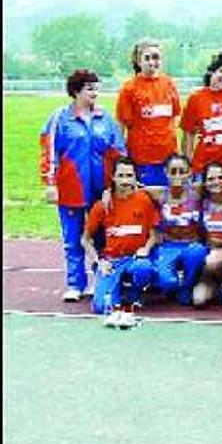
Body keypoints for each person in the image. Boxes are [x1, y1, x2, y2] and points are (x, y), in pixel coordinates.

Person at [40, 69, 126, 302]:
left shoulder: (105, 119)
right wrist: (50, 183)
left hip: (101, 190)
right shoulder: (60, 118)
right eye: (89, 88)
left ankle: (100, 279)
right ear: (76, 91)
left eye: (97, 88)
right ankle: (75, 283)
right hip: (71, 188)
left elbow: (118, 152)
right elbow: (49, 151)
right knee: (72, 237)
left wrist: (115, 185)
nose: (94, 93)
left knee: (101, 236)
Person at [83, 157, 158, 327]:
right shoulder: (103, 205)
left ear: (135, 177)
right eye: (121, 175)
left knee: (144, 268)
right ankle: (110, 284)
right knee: (101, 306)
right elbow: (85, 240)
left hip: (135, 259)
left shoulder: (144, 200)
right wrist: (99, 261)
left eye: (129, 175)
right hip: (112, 261)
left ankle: (133, 295)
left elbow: (154, 234)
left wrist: (146, 248)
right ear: (113, 177)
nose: (125, 180)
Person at [116, 38, 181, 186]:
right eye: (147, 58)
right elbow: (121, 127)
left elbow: (174, 118)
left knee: (168, 204)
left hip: (168, 159)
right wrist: (122, 161)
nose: (152, 62)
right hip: (143, 160)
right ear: (139, 61)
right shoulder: (129, 89)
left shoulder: (169, 84)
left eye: (156, 57)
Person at [149, 154, 208, 306]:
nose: (177, 176)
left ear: (190, 173)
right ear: (166, 172)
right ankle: (171, 285)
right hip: (168, 246)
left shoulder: (198, 191)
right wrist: (107, 192)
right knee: (167, 282)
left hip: (191, 246)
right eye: (173, 171)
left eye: (182, 171)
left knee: (197, 251)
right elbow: (130, 188)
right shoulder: (159, 194)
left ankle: (188, 286)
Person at [181, 51, 222, 177]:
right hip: (203, 166)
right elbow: (188, 135)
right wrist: (187, 165)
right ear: (212, 71)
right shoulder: (196, 98)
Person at [192, 163, 222, 307]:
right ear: (205, 182)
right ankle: (211, 283)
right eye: (211, 179)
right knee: (198, 301)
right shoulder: (201, 201)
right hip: (209, 250)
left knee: (213, 260)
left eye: (220, 178)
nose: (216, 182)